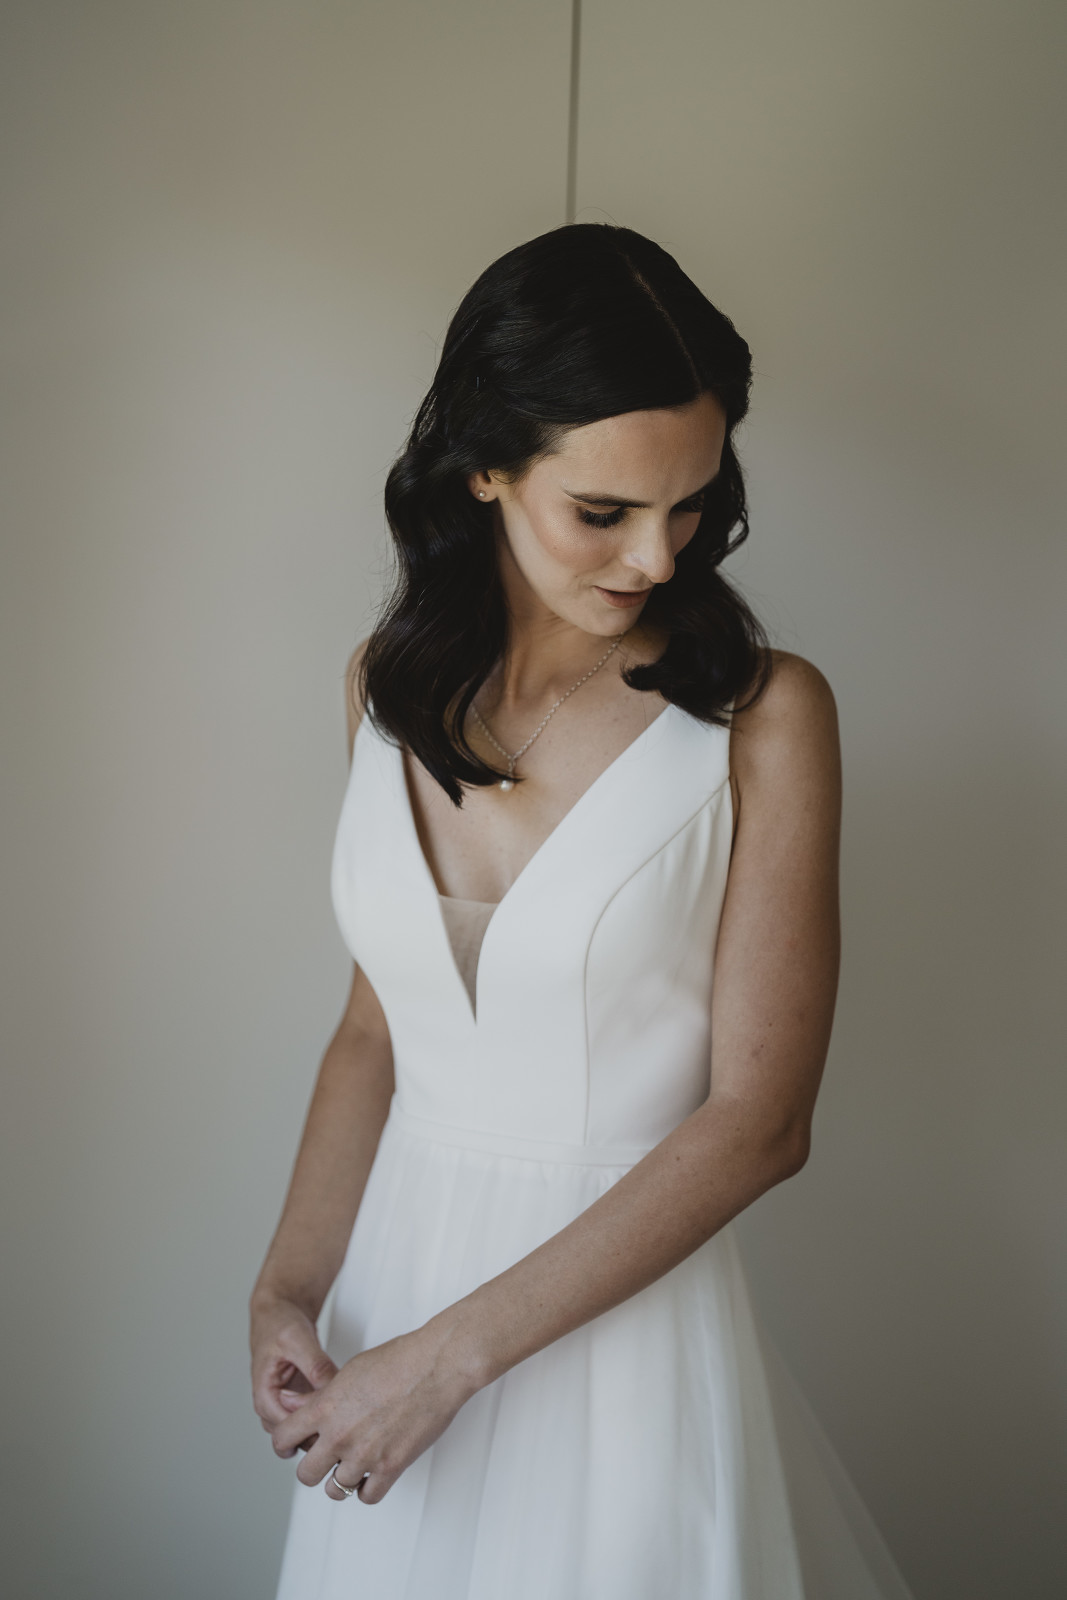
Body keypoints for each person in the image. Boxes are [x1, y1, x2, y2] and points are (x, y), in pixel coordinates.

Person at [250, 223, 915, 1599]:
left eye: (691, 506)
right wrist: (287, 1290)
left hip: (618, 1340)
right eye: (604, 512)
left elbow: (763, 1122)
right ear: (487, 466)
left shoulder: (764, 719)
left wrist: (447, 1363)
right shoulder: (382, 689)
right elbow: (376, 1031)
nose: (658, 560)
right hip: (384, 1319)